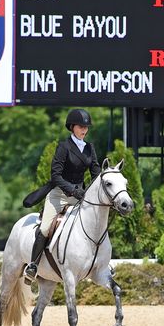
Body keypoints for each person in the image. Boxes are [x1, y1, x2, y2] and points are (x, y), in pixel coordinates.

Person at [23, 108, 101, 284]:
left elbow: (96, 172)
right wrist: (73, 190)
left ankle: (100, 262)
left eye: (86, 127)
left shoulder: (89, 148)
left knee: (95, 223)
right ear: (72, 127)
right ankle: (33, 266)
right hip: (60, 195)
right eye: (81, 127)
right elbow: (56, 176)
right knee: (44, 229)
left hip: (80, 195)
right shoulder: (64, 147)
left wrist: (93, 190)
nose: (84, 130)